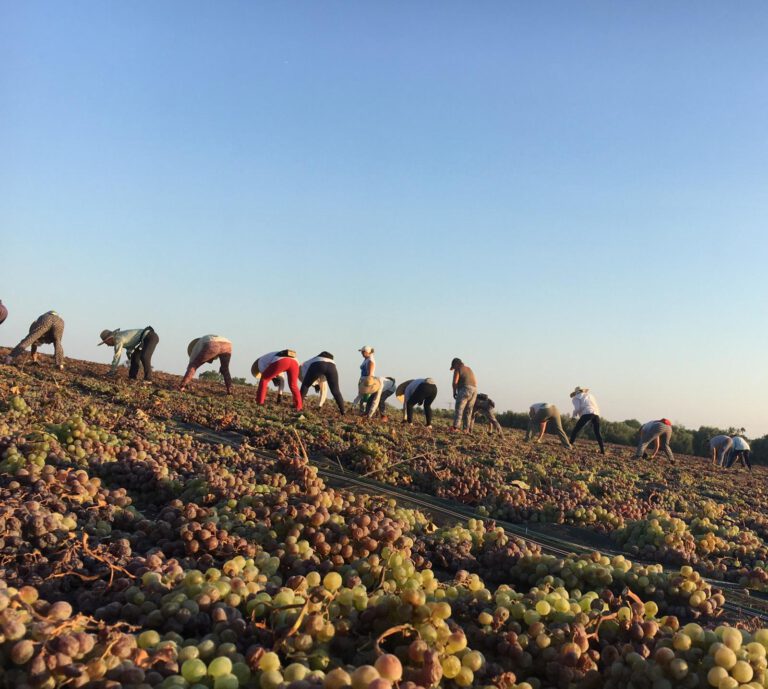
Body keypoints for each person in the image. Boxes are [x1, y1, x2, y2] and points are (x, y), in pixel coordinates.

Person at [569, 386, 605, 454]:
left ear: (576, 392)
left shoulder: (576, 398)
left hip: (587, 413)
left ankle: (569, 445)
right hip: (596, 413)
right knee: (597, 433)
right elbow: (595, 406)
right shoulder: (590, 395)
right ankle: (602, 450)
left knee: (576, 430)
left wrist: (573, 417)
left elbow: (577, 408)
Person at [450, 358, 478, 432]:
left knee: (459, 408)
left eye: (453, 367)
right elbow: (475, 381)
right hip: (474, 390)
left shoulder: (458, 369)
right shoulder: (469, 369)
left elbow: (455, 382)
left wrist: (454, 392)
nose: (454, 369)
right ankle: (466, 429)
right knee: (468, 411)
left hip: (465, 389)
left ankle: (455, 427)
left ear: (456, 364)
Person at [357, 346, 380, 412]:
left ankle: (365, 412)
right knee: (363, 396)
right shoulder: (367, 359)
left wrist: (368, 380)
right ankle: (363, 411)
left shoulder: (370, 360)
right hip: (363, 379)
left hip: (367, 380)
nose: (361, 353)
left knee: (366, 397)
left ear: (367, 352)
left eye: (363, 352)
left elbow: (370, 372)